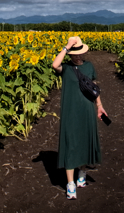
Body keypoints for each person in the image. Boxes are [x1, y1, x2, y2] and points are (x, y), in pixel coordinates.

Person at [52, 35, 107, 200]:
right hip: (70, 112)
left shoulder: (89, 67)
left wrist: (99, 106)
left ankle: (81, 174)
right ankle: (70, 184)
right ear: (69, 54)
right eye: (74, 53)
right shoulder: (66, 68)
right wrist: (66, 47)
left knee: (84, 141)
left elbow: (94, 89)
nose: (77, 56)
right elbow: (55, 64)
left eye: (79, 53)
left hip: (87, 110)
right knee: (70, 144)